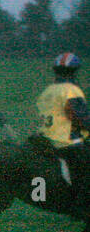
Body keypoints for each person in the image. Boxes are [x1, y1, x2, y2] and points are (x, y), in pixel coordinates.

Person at [33, 52, 90, 215]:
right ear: (74, 72)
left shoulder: (47, 90)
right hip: (66, 141)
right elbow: (80, 117)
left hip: (44, 138)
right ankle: (81, 205)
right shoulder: (72, 90)